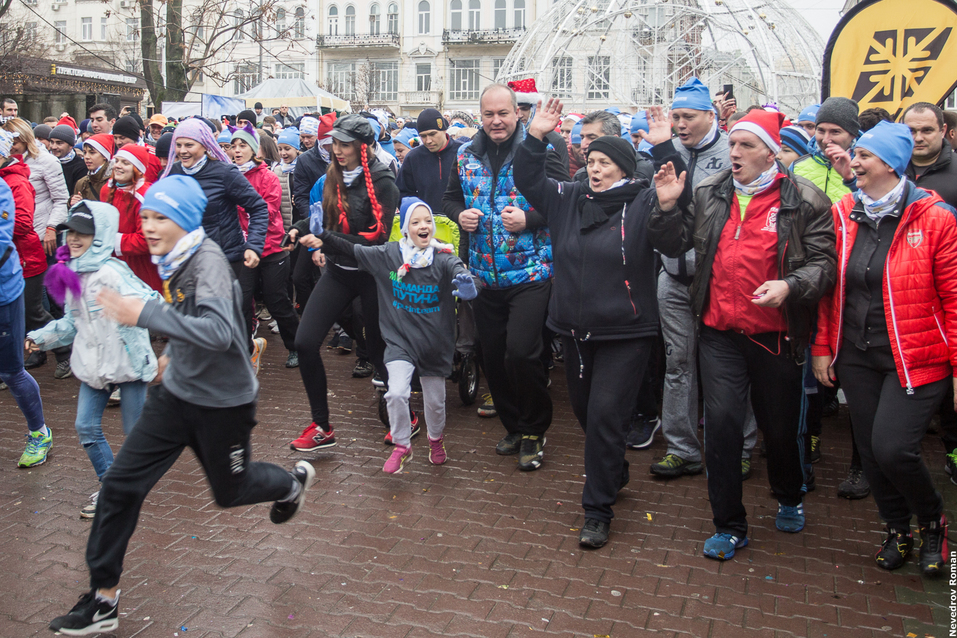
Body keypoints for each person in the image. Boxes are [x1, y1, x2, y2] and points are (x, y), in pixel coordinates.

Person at [47, 176, 315, 636]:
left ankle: (289, 485)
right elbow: (189, 318)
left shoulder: (208, 263)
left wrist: (143, 315)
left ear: (187, 220)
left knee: (229, 492)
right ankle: (103, 600)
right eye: (146, 216)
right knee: (120, 487)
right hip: (174, 399)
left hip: (222, 404)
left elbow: (219, 333)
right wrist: (172, 350)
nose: (149, 227)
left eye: (161, 218)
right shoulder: (174, 255)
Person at [648, 109, 836, 561]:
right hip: (719, 333)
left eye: (745, 146)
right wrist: (668, 206)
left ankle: (789, 494)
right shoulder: (710, 191)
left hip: (775, 336)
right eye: (731, 144)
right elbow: (673, 246)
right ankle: (729, 524)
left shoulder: (805, 199)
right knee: (724, 427)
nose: (733, 153)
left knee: (778, 427)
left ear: (771, 152)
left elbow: (825, 265)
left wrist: (791, 286)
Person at [514, 98, 672, 547]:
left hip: (627, 331)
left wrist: (666, 154)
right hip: (574, 331)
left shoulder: (644, 201)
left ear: (624, 168)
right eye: (592, 160)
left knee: (605, 414)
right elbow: (527, 178)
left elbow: (677, 230)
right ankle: (614, 469)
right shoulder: (568, 197)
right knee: (588, 414)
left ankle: (597, 510)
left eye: (606, 162)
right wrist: (535, 136)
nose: (596, 168)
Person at [811, 121, 955, 577]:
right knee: (872, 453)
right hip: (856, 353)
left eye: (863, 157)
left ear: (891, 164)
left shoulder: (935, 218)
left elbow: (954, 296)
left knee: (894, 449)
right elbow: (831, 290)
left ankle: (933, 521)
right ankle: (897, 528)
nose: (853, 162)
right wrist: (821, 347)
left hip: (914, 355)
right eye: (856, 155)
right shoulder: (844, 213)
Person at [640, 80, 757, 477]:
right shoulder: (663, 152)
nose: (681, 124)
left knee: (731, 369)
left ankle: (741, 448)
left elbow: (702, 207)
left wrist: (665, 150)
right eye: (676, 117)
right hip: (673, 278)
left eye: (689, 116)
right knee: (678, 364)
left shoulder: (733, 153)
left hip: (722, 281)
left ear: (712, 115)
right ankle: (682, 448)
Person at [317, 197, 476, 472]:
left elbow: (459, 271)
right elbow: (352, 249)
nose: (424, 226)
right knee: (396, 393)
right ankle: (403, 446)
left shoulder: (443, 257)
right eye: (416, 222)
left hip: (434, 344)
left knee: (436, 405)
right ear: (405, 228)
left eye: (428, 221)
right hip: (400, 342)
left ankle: (436, 441)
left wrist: (469, 287)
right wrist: (322, 234)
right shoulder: (388, 255)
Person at [442, 83, 554, 471]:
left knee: (521, 352)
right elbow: (450, 197)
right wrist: (460, 214)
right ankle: (514, 427)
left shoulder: (539, 150)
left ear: (517, 113)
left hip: (529, 272)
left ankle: (535, 430)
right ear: (480, 116)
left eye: (502, 113)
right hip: (483, 275)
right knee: (492, 357)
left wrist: (531, 219)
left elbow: (564, 201)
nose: (496, 121)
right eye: (488, 114)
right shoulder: (465, 154)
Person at [27, 202, 158, 517]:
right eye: (71, 232)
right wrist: (40, 338)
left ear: (99, 237)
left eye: (83, 233)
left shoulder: (114, 271)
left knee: (135, 433)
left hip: (127, 365)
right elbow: (71, 324)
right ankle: (112, 488)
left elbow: (152, 302)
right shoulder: (71, 272)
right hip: (93, 365)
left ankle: (124, 488)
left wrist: (133, 312)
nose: (74, 239)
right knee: (85, 426)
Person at [286, 115, 398, 452]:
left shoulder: (384, 182)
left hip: (372, 275)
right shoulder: (333, 174)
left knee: (380, 351)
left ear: (362, 147)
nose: (337, 150)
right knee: (305, 343)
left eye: (345, 144)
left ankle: (403, 417)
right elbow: (324, 215)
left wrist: (323, 240)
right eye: (335, 143)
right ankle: (321, 426)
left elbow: (373, 240)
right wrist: (300, 227)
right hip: (338, 272)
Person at [790, 96, 871, 499]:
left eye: (834, 131)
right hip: (812, 283)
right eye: (818, 131)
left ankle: (863, 463)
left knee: (856, 377)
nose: (824, 138)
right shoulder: (800, 167)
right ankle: (811, 441)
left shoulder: (863, 167)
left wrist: (852, 177)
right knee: (810, 375)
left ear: (852, 135)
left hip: (857, 283)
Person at [161, 118, 270, 371]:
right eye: (179, 145)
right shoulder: (171, 173)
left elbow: (258, 207)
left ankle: (247, 351)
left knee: (230, 314)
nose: (183, 151)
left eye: (190, 144)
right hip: (186, 260)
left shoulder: (224, 173)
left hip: (226, 257)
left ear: (205, 145)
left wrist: (253, 245)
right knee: (193, 314)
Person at [229, 122, 300, 368]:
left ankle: (296, 346)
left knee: (276, 300)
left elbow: (268, 210)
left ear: (255, 150)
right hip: (243, 251)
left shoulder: (267, 176)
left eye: (242, 146)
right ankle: (244, 348)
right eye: (233, 146)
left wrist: (240, 209)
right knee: (242, 300)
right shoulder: (228, 176)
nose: (237, 151)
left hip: (270, 248)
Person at [0, 174, 50, 467]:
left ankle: (39, 433)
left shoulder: (3, 189)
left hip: (4, 293)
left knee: (10, 372)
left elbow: (3, 240)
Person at [99, 144, 161, 292]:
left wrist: (111, 240)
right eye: (117, 161)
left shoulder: (145, 196)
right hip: (113, 264)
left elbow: (146, 240)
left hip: (141, 268)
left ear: (138, 169)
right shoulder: (106, 190)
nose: (118, 166)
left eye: (125, 163)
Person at [3, 118, 69, 257]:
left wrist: (51, 227)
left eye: (14, 143)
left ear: (26, 139)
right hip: (15, 232)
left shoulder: (47, 161)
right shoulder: (5, 161)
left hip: (41, 234)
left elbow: (61, 199)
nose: (11, 147)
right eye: (7, 143)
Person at [71, 134, 114, 204]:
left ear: (104, 156)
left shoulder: (115, 181)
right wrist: (73, 204)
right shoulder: (81, 183)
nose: (86, 157)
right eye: (85, 152)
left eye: (92, 153)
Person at [273, 126, 301, 233]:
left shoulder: (303, 168)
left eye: (287, 149)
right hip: (284, 224)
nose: (283, 153)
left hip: (300, 222)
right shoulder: (277, 170)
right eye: (280, 149)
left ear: (296, 149)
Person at [49, 124, 87, 199]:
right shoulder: (46, 162)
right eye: (52, 142)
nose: (54, 147)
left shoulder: (81, 166)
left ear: (70, 146)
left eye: (59, 143)